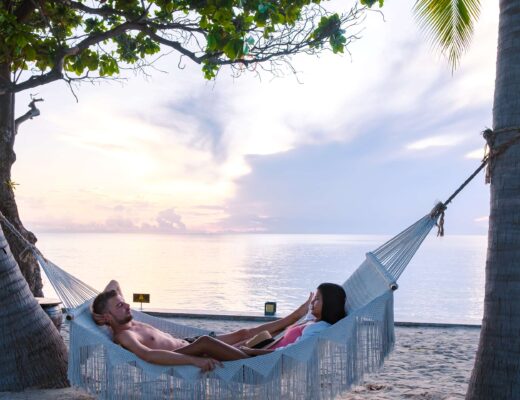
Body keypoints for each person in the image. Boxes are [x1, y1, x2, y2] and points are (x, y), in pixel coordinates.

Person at [91, 280, 314, 371]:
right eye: (120, 305)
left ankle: (295, 318)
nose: (127, 305)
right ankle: (263, 362)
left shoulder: (125, 318)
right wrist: (193, 359)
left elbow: (113, 283)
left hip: (188, 343)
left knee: (244, 334)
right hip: (183, 352)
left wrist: (96, 312)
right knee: (209, 342)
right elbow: (148, 355)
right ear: (108, 317)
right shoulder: (124, 335)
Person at [238, 283, 347, 356]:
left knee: (221, 347)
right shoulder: (312, 321)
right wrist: (306, 306)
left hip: (259, 358)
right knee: (246, 335)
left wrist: (252, 351)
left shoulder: (319, 328)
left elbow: (292, 351)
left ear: (329, 303)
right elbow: (305, 314)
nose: (312, 302)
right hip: (262, 346)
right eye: (313, 299)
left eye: (317, 299)